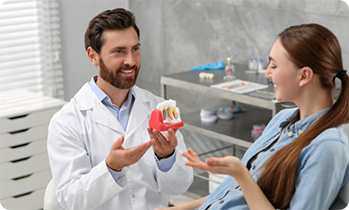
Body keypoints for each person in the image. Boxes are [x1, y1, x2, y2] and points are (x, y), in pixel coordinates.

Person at [156, 23, 349, 210]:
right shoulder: (282, 119)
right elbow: (234, 191)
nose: (267, 73)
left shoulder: (328, 147)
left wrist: (241, 174)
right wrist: (180, 208)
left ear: (304, 76)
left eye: (274, 65)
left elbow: (245, 184)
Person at [47, 8, 193, 210]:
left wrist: (166, 156)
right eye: (119, 51)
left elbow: (180, 186)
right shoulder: (67, 121)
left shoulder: (157, 108)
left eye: (135, 49)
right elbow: (72, 200)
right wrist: (111, 167)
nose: (131, 61)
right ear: (93, 56)